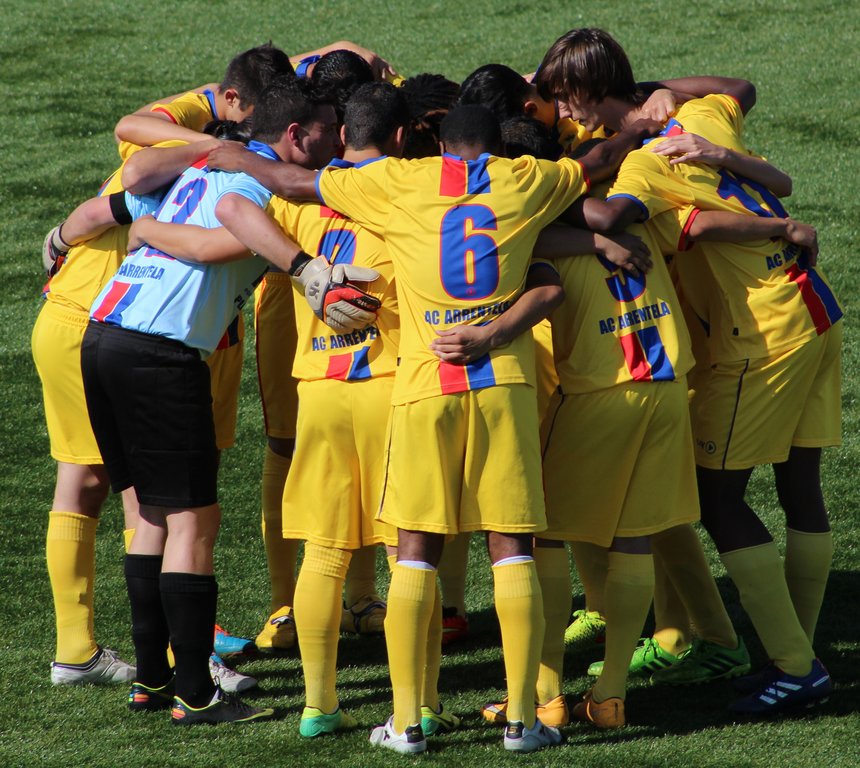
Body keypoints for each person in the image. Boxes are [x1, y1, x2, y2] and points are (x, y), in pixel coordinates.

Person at [207, 99, 662, 752]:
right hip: (503, 385)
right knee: (513, 546)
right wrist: (635, 131)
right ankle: (523, 720)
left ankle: (404, 722)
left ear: (439, 147)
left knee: (411, 549)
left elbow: (291, 182)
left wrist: (232, 154)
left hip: (422, 386)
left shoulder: (399, 183)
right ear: (494, 149)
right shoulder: (525, 180)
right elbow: (593, 163)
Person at [537, 26, 841, 715]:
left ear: (586, 89)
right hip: (816, 308)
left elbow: (616, 217)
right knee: (800, 485)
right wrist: (657, 94)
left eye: (564, 95)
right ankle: (799, 650)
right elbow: (739, 87)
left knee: (717, 497)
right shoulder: (699, 115)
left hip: (761, 333)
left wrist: (525, 197)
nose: (562, 111)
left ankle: (797, 667)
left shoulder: (644, 165)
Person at [80, 77, 340, 725]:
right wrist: (303, 266)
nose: (337, 139)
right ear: (294, 135)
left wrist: (149, 226)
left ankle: (153, 679)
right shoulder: (258, 188)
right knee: (194, 523)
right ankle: (196, 693)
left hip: (103, 337)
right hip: (159, 354)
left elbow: (138, 191)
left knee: (152, 517)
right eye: (327, 130)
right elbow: (221, 233)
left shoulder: (202, 167)